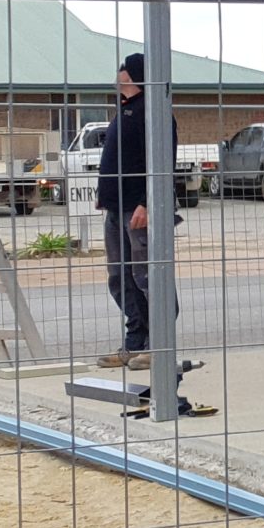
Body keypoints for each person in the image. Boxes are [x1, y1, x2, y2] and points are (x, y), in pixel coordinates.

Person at [98, 52, 174, 370]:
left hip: (138, 209)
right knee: (120, 276)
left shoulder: (153, 112)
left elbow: (162, 161)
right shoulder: (124, 110)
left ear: (133, 75)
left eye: (122, 69)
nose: (117, 73)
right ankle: (135, 342)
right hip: (116, 208)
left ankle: (158, 345)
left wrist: (146, 201)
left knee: (147, 276)